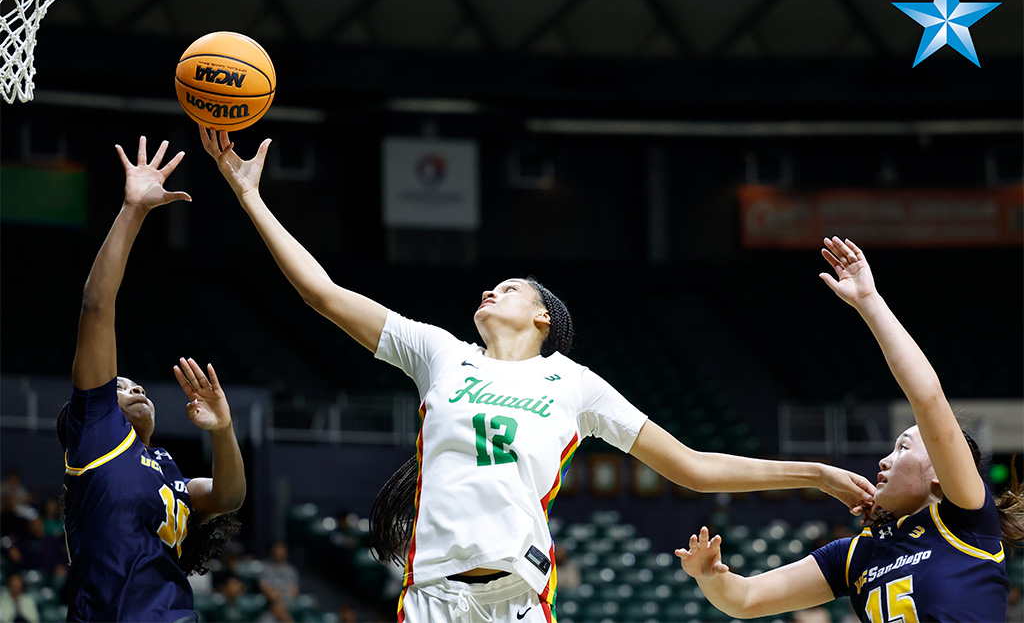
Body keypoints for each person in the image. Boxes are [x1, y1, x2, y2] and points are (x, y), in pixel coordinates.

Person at [200, 129, 875, 623]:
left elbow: (692, 467)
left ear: (542, 317)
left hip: (517, 597)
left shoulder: (573, 384)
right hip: (432, 596)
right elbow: (321, 292)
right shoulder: (441, 352)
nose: (491, 290)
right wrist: (250, 196)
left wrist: (814, 472)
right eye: (491, 286)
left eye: (509, 287)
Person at [677, 237, 1024, 622]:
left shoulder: (966, 521)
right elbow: (744, 599)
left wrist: (868, 301)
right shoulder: (855, 554)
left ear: (941, 476)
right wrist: (709, 576)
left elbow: (927, 397)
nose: (884, 460)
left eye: (903, 448)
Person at [59, 137, 247, 622]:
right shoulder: (96, 434)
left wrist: (224, 430)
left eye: (134, 384)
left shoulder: (166, 468)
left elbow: (228, 496)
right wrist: (134, 210)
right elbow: (96, 307)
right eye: (119, 387)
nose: (134, 389)